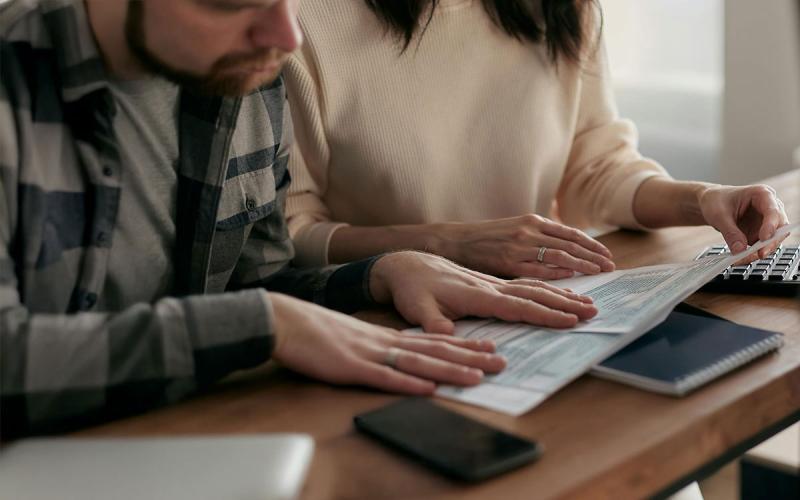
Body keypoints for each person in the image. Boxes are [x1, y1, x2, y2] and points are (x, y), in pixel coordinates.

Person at [0, 0, 599, 439]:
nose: (285, 35)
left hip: (192, 439)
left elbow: (259, 284)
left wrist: (382, 273)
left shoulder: (242, 79)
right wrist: (264, 322)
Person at [284, 0, 789, 278]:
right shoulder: (296, 20)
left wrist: (703, 201)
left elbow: (596, 168)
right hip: (388, 325)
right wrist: (448, 244)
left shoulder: (567, 9)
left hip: (538, 306)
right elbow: (291, 232)